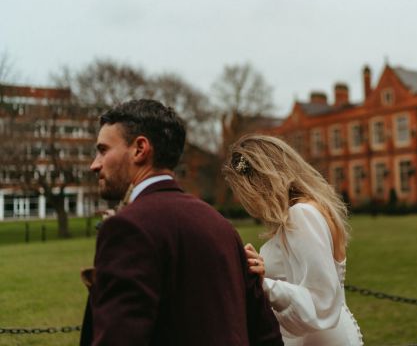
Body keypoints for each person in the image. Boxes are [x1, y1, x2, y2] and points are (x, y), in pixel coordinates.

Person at [81, 99, 283, 346]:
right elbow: (266, 334)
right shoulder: (221, 225)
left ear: (140, 149)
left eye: (103, 150)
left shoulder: (128, 228)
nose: (95, 164)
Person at [223, 134, 363, 346]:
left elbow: (319, 300)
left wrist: (263, 283)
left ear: (258, 183)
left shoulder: (303, 214)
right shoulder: (305, 211)